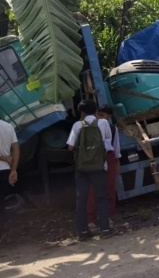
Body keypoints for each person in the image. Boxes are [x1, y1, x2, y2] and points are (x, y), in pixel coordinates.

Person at [66, 100, 115, 240]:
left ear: (82, 112)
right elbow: (107, 142)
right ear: (96, 111)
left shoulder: (77, 125)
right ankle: (105, 229)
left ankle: (82, 232)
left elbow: (70, 146)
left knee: (81, 199)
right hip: (99, 166)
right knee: (101, 197)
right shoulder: (103, 123)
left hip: (82, 168)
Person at [85, 105, 121, 229]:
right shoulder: (89, 127)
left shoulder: (112, 128)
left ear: (109, 117)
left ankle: (108, 217)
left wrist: (117, 164)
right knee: (93, 190)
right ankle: (91, 219)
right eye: (99, 115)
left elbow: (116, 148)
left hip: (108, 158)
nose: (101, 118)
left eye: (103, 115)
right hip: (94, 159)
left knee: (109, 189)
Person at [0, 120, 21, 230]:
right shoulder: (8, 126)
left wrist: (4, 158)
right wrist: (13, 169)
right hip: (5, 170)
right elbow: (16, 150)